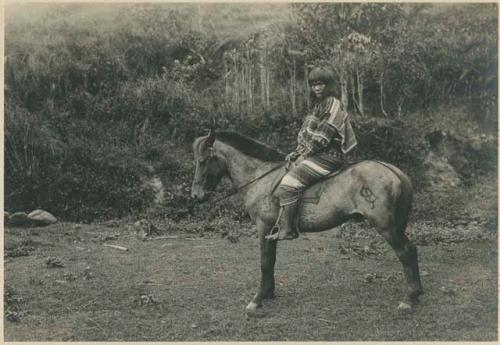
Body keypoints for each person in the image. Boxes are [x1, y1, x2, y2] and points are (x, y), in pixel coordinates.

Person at [266, 66, 357, 241]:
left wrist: (304, 155)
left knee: (288, 183)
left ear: (328, 85)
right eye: (314, 84)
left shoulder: (333, 104)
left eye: (321, 84)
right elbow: (309, 136)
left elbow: (322, 137)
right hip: (317, 154)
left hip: (329, 156)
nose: (317, 88)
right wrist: (297, 153)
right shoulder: (319, 105)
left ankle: (288, 230)